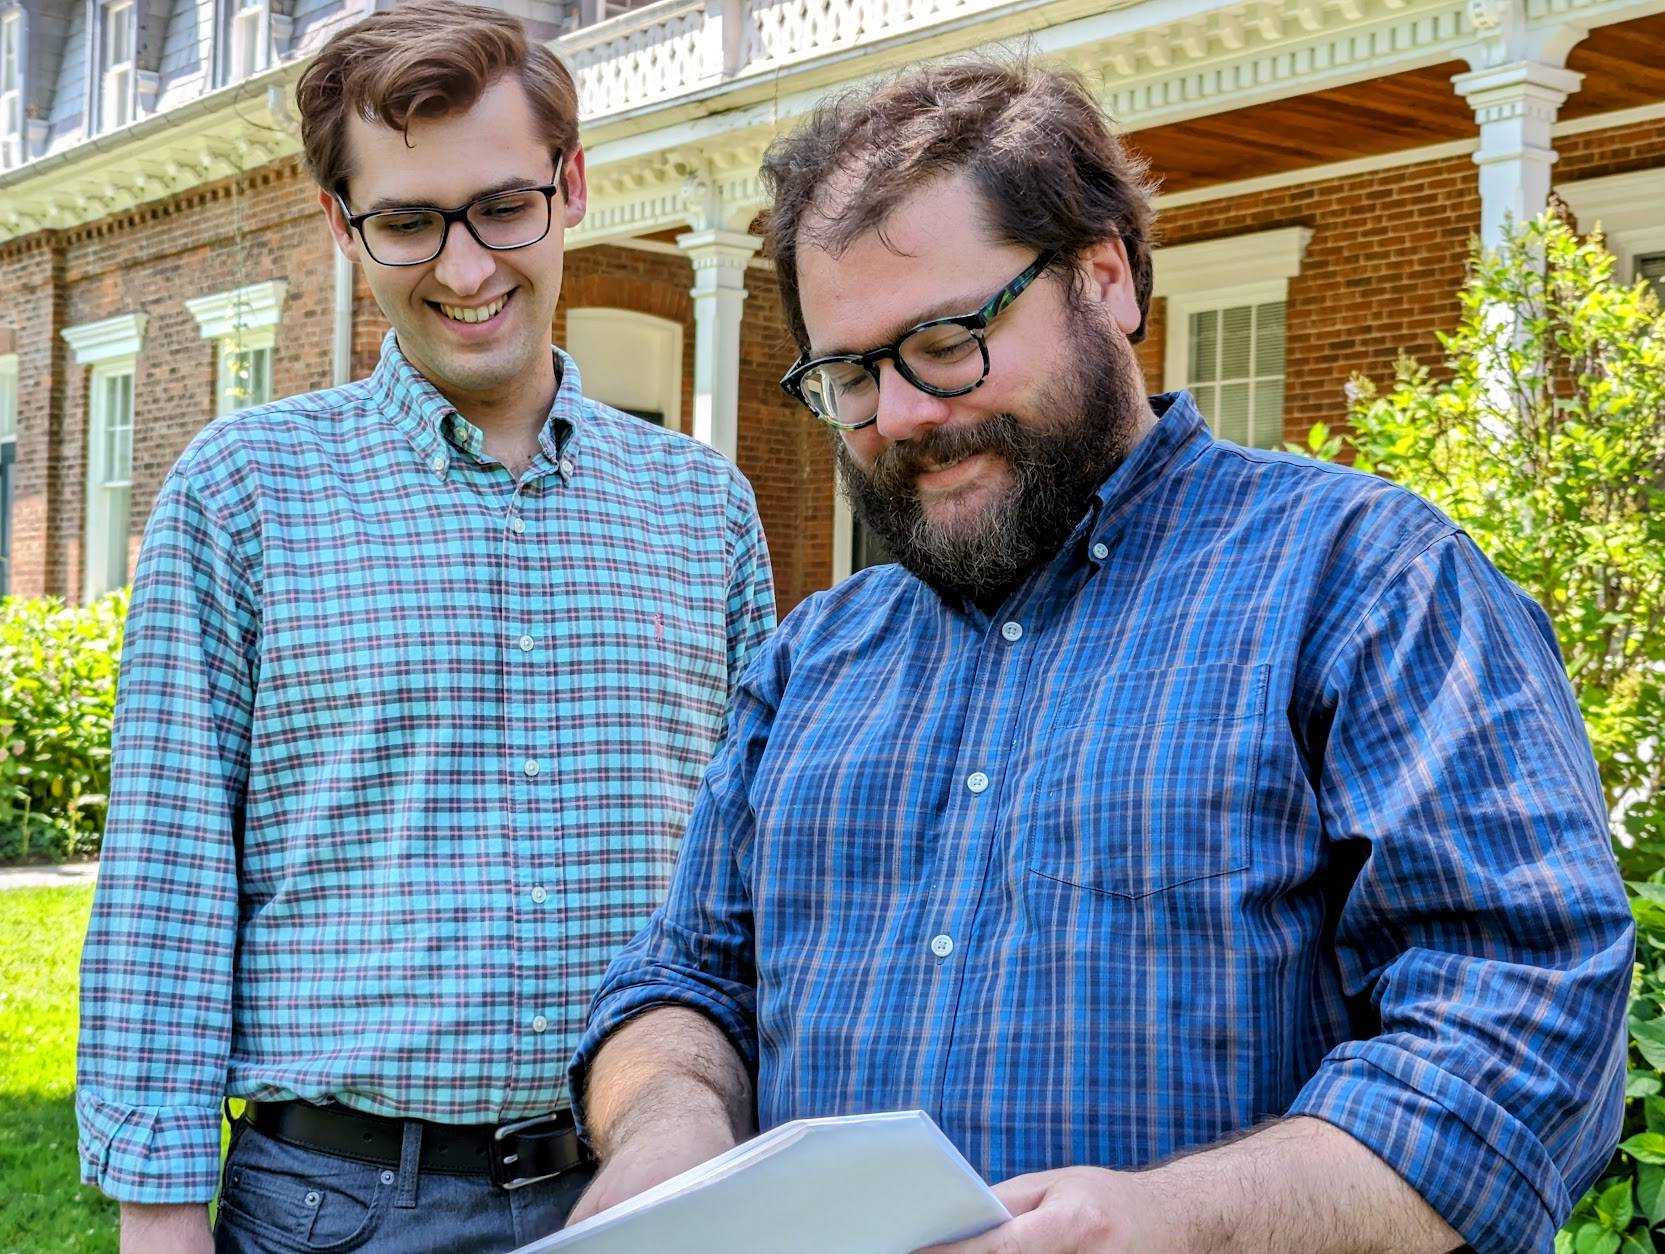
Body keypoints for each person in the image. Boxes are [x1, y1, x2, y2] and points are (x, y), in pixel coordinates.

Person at [565, 59, 1633, 1254]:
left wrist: (1177, 1220)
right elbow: (689, 981)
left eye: (948, 338)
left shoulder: (1367, 583)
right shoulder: (816, 657)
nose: (906, 413)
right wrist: (668, 1134)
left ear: (1107, 277)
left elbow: (1519, 1025)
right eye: (854, 375)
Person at [74, 5, 774, 1251]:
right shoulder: (242, 495)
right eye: (407, 221)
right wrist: (162, 1225)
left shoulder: (704, 509)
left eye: (504, 207)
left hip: (648, 1190)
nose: (466, 269)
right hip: (336, 1208)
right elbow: (168, 890)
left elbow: (747, 889)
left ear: (570, 184)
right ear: (344, 224)